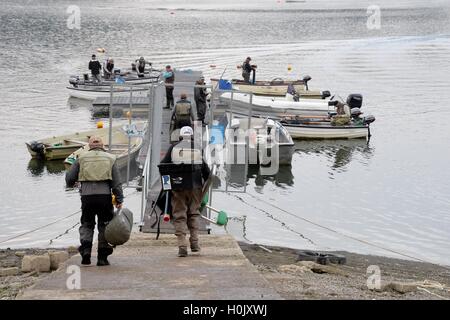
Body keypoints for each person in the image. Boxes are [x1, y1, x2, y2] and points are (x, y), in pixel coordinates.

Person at [65, 136, 124, 266]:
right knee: (104, 225)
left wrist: (71, 183)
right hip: (104, 197)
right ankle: (102, 258)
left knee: (87, 224)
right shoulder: (111, 158)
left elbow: (69, 179)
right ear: (102, 146)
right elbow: (117, 183)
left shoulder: (81, 158)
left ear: (89, 146)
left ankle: (86, 251)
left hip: (87, 198)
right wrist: (119, 198)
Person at [160, 126, 210, 257]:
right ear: (192, 136)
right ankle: (194, 243)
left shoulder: (173, 148)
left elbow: (163, 166)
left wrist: (167, 185)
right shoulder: (198, 148)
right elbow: (206, 171)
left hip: (178, 187)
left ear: (180, 136)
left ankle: (182, 246)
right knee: (194, 214)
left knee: (179, 215)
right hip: (195, 188)